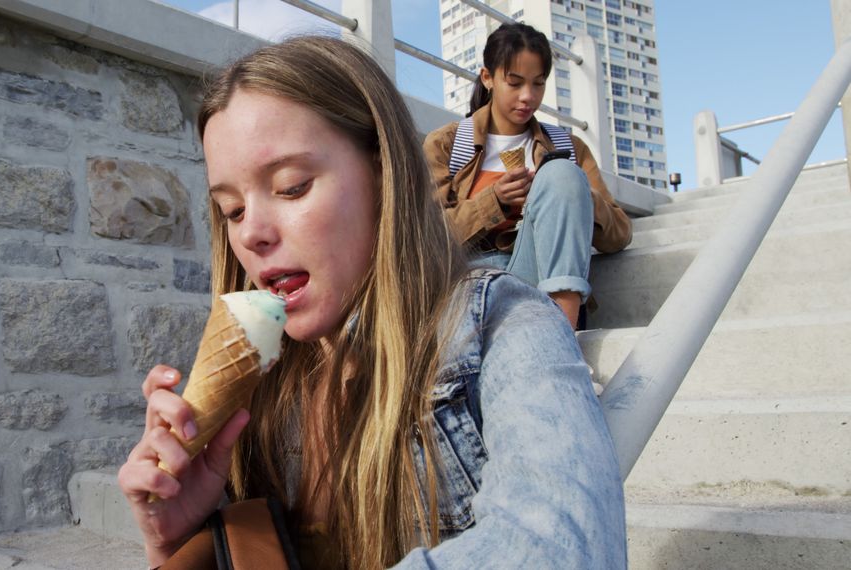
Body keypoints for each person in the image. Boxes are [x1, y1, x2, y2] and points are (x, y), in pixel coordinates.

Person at [118, 35, 626, 569]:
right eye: (233, 209)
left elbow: (563, 551)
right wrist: (178, 546)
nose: (253, 234)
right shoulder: (260, 396)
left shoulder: (504, 328)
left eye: (291, 187)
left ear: (385, 176)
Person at [423, 23, 632, 329]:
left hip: (544, 279)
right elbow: (426, 238)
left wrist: (568, 194)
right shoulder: (447, 144)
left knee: (561, 175)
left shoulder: (567, 147)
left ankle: (564, 335)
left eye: (538, 84)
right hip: (472, 281)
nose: (527, 97)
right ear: (488, 78)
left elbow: (619, 234)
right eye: (515, 82)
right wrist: (494, 201)